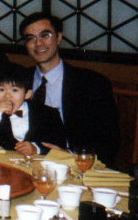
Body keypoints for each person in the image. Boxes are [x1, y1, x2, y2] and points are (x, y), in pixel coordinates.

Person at [19, 12, 120, 166]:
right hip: (26, 162)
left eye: (45, 35)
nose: (38, 43)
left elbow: (109, 142)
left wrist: (69, 155)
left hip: (75, 165)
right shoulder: (20, 80)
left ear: (59, 37)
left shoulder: (91, 83)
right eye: (30, 38)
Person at [0, 63, 66, 156]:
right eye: (1, 90)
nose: (7, 96)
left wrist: (36, 148)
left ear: (27, 94)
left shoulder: (48, 114)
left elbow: (59, 146)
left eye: (14, 90)